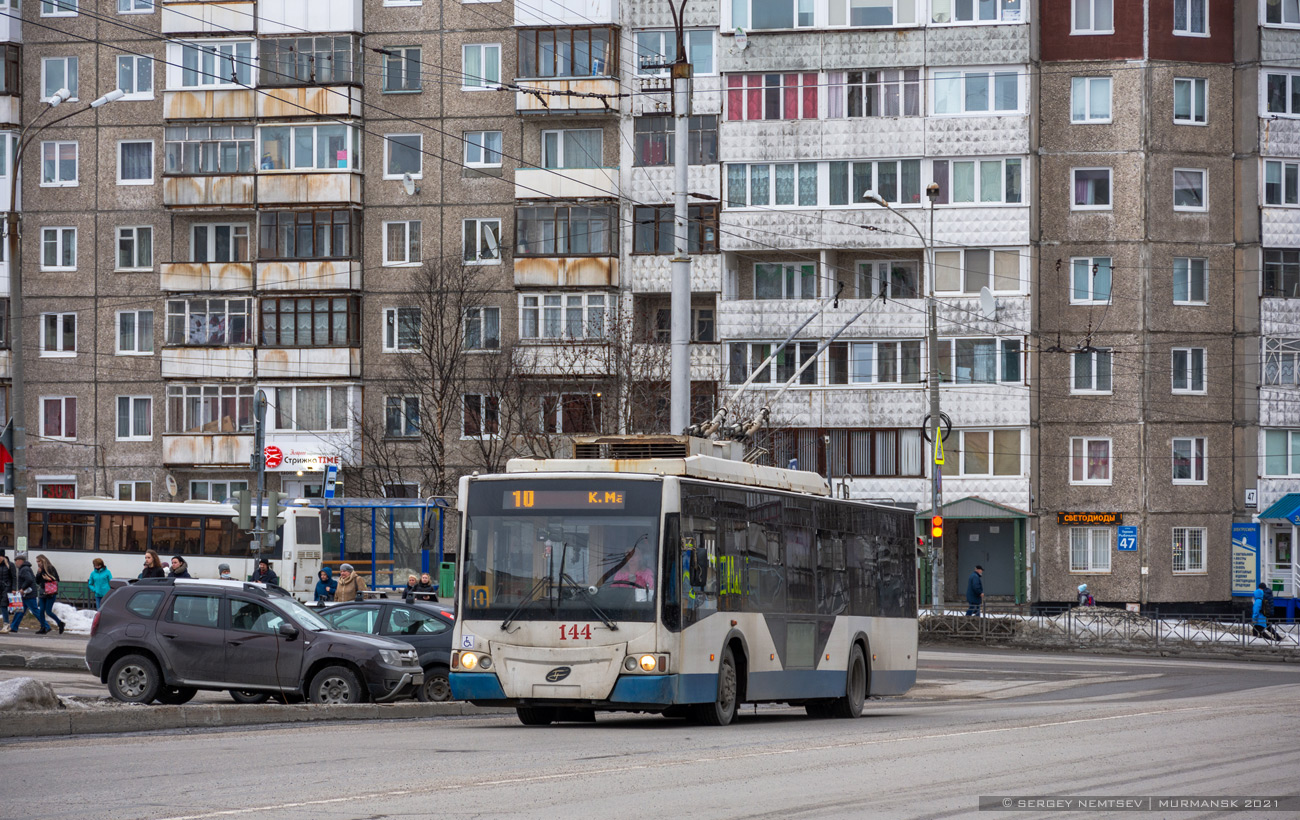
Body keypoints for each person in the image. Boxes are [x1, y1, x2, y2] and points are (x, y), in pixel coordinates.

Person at [6, 554, 49, 634]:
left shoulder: (24, 569)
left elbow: (29, 580)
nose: (15, 564)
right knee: (19, 611)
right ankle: (14, 627)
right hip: (26, 595)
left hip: (29, 594)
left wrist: (22, 589)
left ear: (20, 561)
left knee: (35, 611)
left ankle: (46, 626)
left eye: (16, 561)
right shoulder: (25, 568)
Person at [35, 555, 66, 635]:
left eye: (39, 561)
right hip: (42, 592)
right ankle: (43, 627)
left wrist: (50, 579)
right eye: (37, 562)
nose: (38, 563)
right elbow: (37, 582)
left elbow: (57, 579)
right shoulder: (40, 570)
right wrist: (38, 573)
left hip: (50, 592)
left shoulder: (50, 568)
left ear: (43, 560)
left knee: (48, 611)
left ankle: (60, 623)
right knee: (41, 611)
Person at [0, 550, 14, 633]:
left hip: (7, 587)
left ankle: (6, 624)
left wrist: (13, 588)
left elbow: (14, 577)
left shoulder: (9, 565)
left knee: (3, 605)